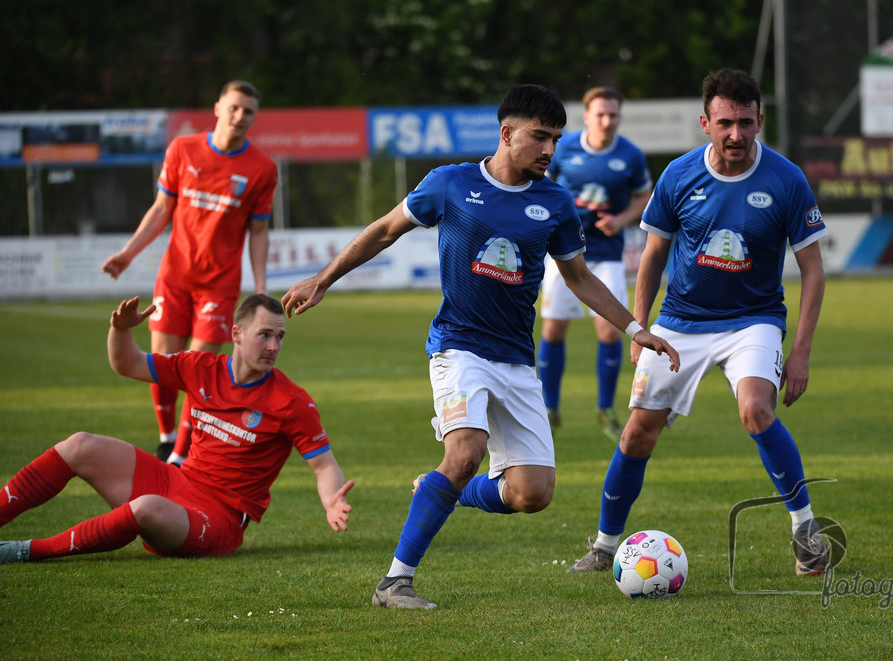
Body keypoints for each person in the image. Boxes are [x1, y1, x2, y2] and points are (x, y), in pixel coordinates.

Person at [281, 84, 679, 609]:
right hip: (458, 347)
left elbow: (579, 277)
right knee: (465, 452)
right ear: (507, 133)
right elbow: (383, 231)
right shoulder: (450, 184)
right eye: (540, 137)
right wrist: (323, 278)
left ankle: (436, 487)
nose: (549, 150)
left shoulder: (556, 202)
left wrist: (635, 327)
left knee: (532, 494)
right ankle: (395, 582)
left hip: (516, 360)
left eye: (556, 140)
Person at [567, 69, 831, 577]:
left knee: (755, 409)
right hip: (680, 323)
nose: (736, 134)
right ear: (705, 122)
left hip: (753, 321)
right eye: (726, 123)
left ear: (760, 121)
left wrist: (800, 352)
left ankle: (806, 532)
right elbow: (651, 257)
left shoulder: (786, 179)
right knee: (638, 434)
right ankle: (604, 546)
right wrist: (640, 327)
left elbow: (813, 270)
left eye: (746, 123)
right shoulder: (678, 175)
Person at [0, 294, 353, 564]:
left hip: (219, 516)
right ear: (237, 334)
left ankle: (22, 551)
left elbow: (323, 466)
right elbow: (128, 363)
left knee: (146, 508)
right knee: (79, 445)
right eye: (265, 335)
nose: (274, 347)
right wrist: (120, 330)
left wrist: (331, 499)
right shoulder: (199, 366)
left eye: (280, 337)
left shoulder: (292, 401)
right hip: (176, 481)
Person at [102, 80, 278, 465]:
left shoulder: (262, 169)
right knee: (163, 361)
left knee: (197, 369)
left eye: (248, 111)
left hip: (219, 284)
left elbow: (259, 230)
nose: (239, 116)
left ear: (254, 117)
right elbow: (161, 209)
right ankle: (166, 438)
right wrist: (128, 253)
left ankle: (179, 457)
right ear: (217, 108)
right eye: (233, 108)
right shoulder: (183, 149)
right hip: (176, 277)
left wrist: (262, 288)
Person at [538, 87, 652, 440]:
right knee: (553, 329)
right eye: (600, 114)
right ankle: (549, 408)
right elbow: (541, 184)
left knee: (608, 329)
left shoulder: (630, 155)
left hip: (606, 256)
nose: (607, 121)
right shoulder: (565, 148)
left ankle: (605, 408)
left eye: (613, 114)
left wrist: (620, 220)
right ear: (587, 116)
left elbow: (644, 196)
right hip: (562, 252)